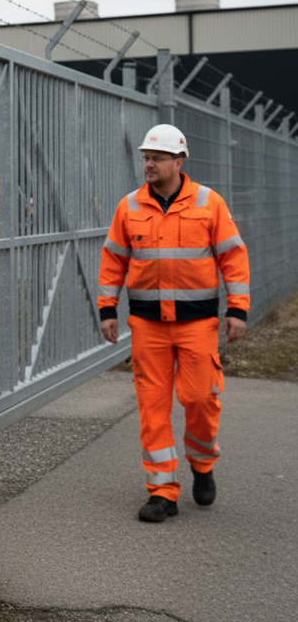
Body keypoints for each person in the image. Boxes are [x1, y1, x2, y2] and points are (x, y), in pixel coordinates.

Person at [98, 123, 250, 523]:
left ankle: (202, 464)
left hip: (197, 325)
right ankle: (162, 492)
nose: (148, 164)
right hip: (147, 326)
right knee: (152, 408)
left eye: (157, 158)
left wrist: (237, 309)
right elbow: (114, 259)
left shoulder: (208, 203)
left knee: (200, 398)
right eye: (146, 157)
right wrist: (107, 309)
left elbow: (232, 257)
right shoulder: (129, 206)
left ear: (179, 162)